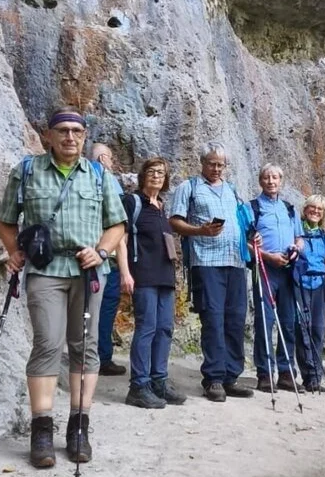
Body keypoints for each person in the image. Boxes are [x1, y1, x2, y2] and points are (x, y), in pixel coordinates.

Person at [0, 106, 129, 468]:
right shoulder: (27, 171)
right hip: (46, 270)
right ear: (49, 136)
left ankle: (79, 428)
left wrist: (101, 251)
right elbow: (6, 221)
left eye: (77, 131)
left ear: (84, 137)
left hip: (88, 273)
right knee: (47, 344)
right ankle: (41, 431)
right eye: (63, 131)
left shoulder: (99, 176)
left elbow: (117, 225)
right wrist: (14, 252)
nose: (70, 137)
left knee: (85, 347)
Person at [168, 142, 256, 402]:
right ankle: (214, 379)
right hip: (206, 262)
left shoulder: (232, 190)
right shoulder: (190, 187)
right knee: (214, 319)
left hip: (236, 261)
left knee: (236, 319)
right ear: (202, 163)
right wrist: (200, 231)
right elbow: (174, 221)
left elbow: (242, 223)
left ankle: (231, 377)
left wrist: (253, 241)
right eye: (211, 163)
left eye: (220, 164)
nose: (216, 168)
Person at [121, 157, 187, 409]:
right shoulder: (133, 202)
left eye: (161, 172)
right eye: (151, 171)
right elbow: (121, 239)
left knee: (165, 329)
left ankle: (159, 380)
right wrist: (126, 273)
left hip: (165, 276)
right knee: (147, 327)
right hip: (144, 275)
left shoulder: (161, 206)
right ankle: (139, 385)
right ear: (142, 175)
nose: (156, 175)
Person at [250, 164, 304, 392]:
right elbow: (246, 242)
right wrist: (266, 256)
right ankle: (264, 373)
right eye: (266, 177)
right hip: (265, 268)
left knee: (289, 322)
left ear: (281, 181)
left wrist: (296, 248)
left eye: (275, 177)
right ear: (260, 181)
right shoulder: (252, 207)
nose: (271, 181)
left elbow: (300, 237)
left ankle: (285, 372)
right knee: (264, 321)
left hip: (288, 270)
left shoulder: (290, 208)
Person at [90, 143, 130, 377]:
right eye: (111, 159)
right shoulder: (105, 177)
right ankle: (101, 357)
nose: (112, 163)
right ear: (105, 158)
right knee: (104, 308)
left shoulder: (82, 173)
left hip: (85, 252)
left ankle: (87, 354)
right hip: (107, 254)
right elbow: (117, 220)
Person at [294, 195, 325, 392]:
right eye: (312, 208)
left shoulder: (323, 236)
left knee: (318, 329)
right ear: (305, 209)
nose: (316, 212)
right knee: (302, 329)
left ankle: (316, 377)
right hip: (300, 283)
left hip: (320, 284)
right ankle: (307, 376)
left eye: (320, 209)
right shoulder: (296, 231)